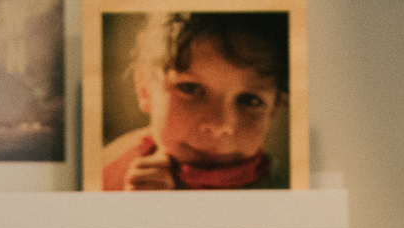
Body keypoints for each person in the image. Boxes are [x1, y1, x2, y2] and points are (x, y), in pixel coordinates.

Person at [102, 12, 288, 191]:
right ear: (145, 90)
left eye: (250, 100)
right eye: (189, 88)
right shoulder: (110, 167)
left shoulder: (284, 189)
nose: (219, 124)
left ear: (274, 107)